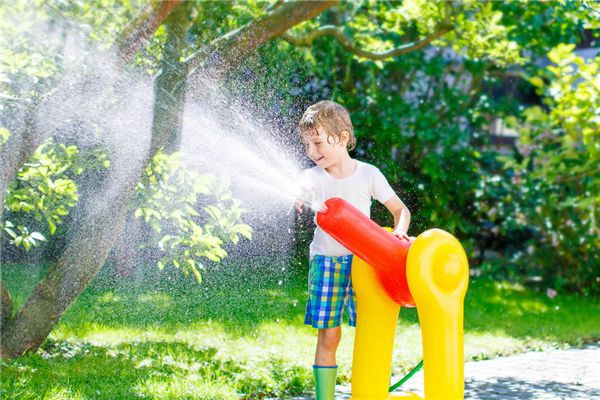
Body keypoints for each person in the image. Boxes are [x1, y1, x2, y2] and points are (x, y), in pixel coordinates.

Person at [295, 100, 411, 400]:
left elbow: (400, 210)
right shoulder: (313, 177)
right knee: (329, 333)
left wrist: (399, 232)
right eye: (307, 144)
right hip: (326, 263)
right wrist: (297, 196)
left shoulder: (368, 174)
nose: (312, 152)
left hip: (366, 263)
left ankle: (369, 392)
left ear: (343, 137)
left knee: (370, 332)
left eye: (317, 142)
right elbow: (301, 187)